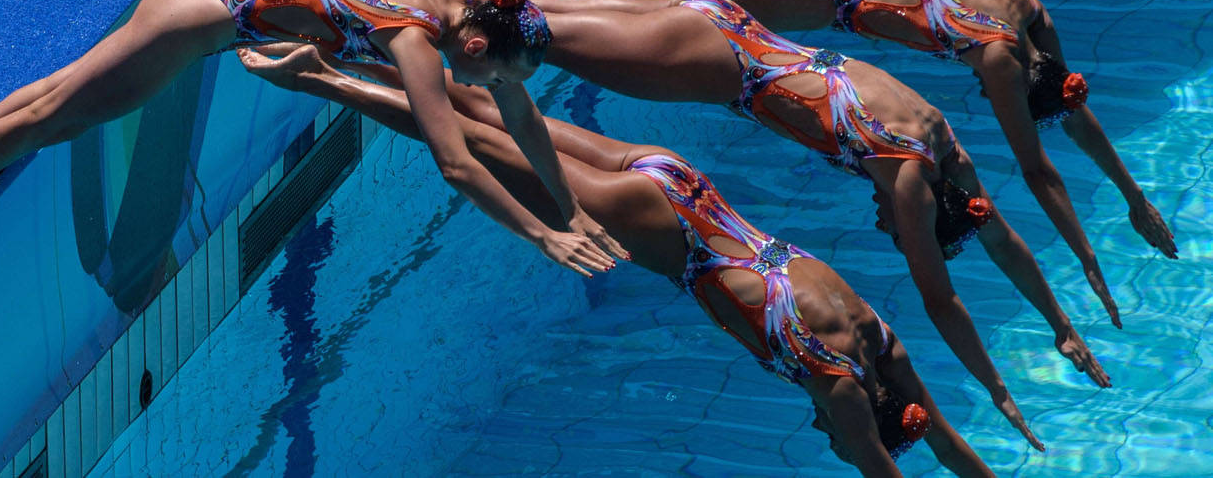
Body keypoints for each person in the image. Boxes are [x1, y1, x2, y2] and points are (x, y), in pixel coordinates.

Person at [241, 44, 1001, 477]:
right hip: (667, 230)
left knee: (498, 118)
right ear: (862, 424)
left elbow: (940, 435)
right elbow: (885, 463)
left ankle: (361, 43)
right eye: (838, 442)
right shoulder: (840, 393)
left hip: (685, 185)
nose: (825, 441)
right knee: (476, 145)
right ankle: (321, 75)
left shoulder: (874, 341)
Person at [436, 0, 1178, 324]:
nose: (986, 99)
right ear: (1021, 87)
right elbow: (1038, 171)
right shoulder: (995, 64)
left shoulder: (1028, 18)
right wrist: (1084, 263)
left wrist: (1132, 195)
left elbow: (1072, 114)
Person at [506, 0, 1109, 447]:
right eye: (898, 231)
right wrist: (999, 388)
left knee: (534, 3)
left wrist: (1056, 326)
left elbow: (999, 240)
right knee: (513, 44)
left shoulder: (946, 152)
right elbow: (940, 302)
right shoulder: (906, 184)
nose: (883, 225)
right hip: (712, 71)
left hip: (731, 21)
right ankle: (416, 32)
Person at [0, 0, 625, 277]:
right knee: (54, 115)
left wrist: (573, 203)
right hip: (197, 21)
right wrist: (543, 233)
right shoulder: (416, 38)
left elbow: (521, 118)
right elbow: (457, 161)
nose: (490, 87)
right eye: (491, 73)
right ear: (474, 45)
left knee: (57, 95)